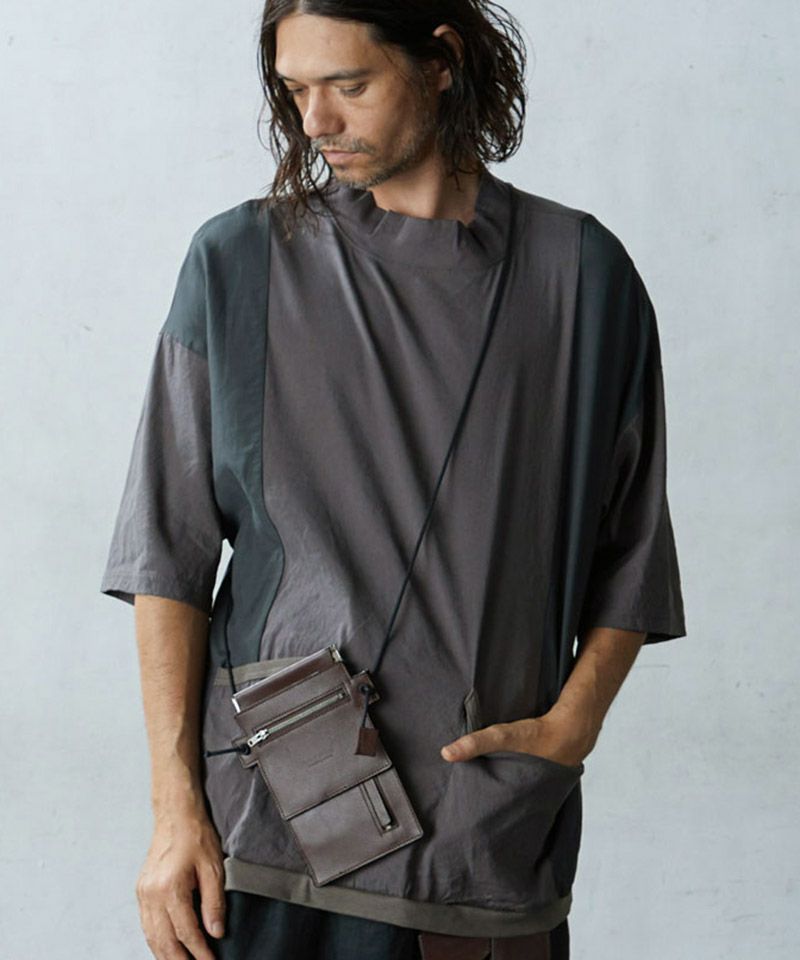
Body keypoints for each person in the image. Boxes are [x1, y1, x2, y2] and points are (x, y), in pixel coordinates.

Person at [99, 2, 687, 958]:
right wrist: (174, 815)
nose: (316, 121)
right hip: (270, 825)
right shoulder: (240, 263)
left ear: (441, 61)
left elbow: (633, 551)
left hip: (482, 840)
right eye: (295, 90)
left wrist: (572, 727)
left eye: (350, 84)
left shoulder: (580, 276)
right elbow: (167, 551)